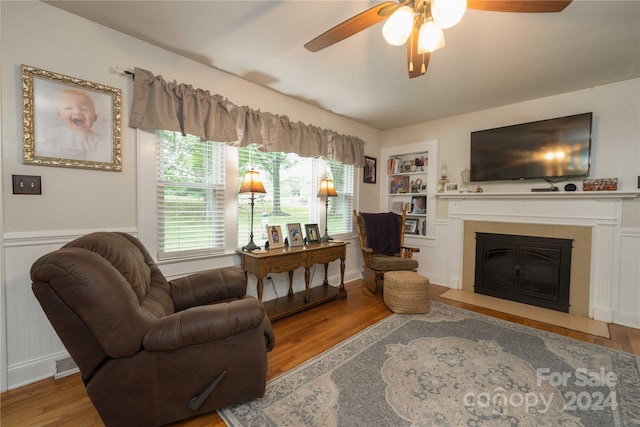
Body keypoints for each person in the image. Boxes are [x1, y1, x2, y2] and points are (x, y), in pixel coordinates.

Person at [37, 89, 111, 163]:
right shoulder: (54, 134)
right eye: (69, 108)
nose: (77, 112)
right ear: (60, 114)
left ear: (94, 117)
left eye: (83, 109)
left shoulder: (99, 141)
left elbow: (105, 160)